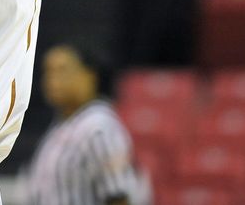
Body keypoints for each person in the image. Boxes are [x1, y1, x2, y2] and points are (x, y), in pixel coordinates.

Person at [24, 44, 151, 205]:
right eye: (48, 71)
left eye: (62, 70)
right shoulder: (60, 125)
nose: (52, 79)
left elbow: (119, 195)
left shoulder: (99, 127)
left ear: (90, 75)